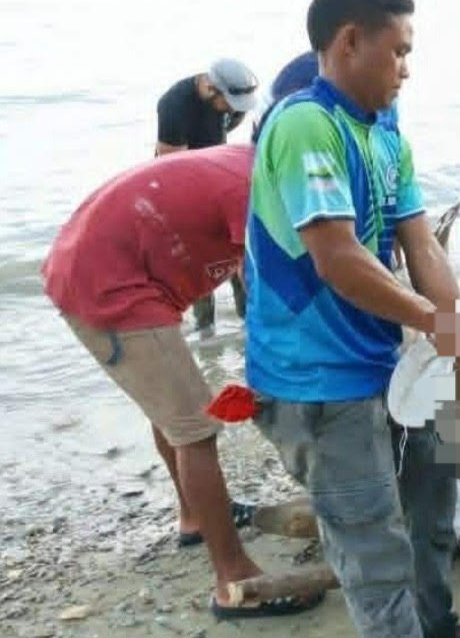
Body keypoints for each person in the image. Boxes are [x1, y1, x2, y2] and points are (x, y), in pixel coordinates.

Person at [243, 0, 460, 638]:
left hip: (389, 363)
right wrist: (434, 326)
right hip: (319, 382)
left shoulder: (385, 129)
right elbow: (337, 258)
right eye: (400, 51)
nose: (407, 69)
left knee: (430, 512)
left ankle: (439, 628)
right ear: (350, 42)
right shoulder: (306, 124)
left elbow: (422, 247)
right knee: (373, 551)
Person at [41, 145, 321, 619]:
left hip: (113, 266)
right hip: (108, 284)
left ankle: (196, 517)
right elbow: (281, 287)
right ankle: (233, 576)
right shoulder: (256, 190)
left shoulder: (262, 166)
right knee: (195, 426)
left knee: (171, 409)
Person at [156, 58, 259, 331]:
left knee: (237, 257)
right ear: (211, 88)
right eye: (230, 105)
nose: (235, 111)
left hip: (216, 174)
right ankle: (205, 333)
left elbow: (226, 129)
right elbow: (170, 171)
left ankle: (247, 327)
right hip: (180, 181)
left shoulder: (232, 103)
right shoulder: (174, 105)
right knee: (200, 262)